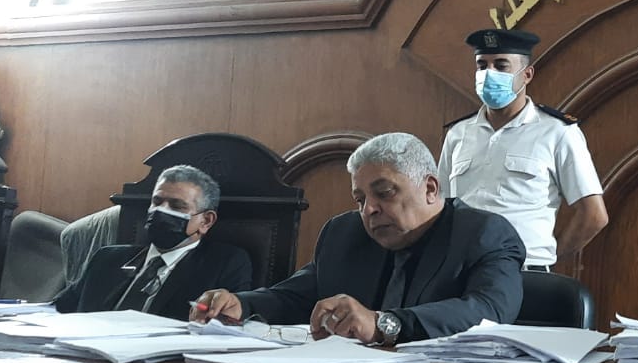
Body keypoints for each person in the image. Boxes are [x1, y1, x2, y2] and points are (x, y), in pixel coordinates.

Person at [192, 132, 525, 344]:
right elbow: (296, 296)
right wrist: (242, 305)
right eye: (360, 199)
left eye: (384, 193)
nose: (369, 210)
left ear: (430, 188)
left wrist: (384, 324)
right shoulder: (344, 233)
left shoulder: (483, 234)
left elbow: (489, 311)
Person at [437, 28, 607, 272]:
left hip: (524, 272)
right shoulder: (458, 133)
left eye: (501, 65)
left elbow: (594, 215)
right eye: (482, 65)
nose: (488, 74)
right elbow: (440, 207)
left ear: (527, 75)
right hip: (462, 272)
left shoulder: (557, 132)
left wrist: (545, 258)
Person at [52, 165, 251, 319]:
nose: (160, 211)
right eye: (157, 202)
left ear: (205, 221)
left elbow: (224, 327)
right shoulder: (107, 258)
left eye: (177, 206)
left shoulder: (224, 264)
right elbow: (57, 309)